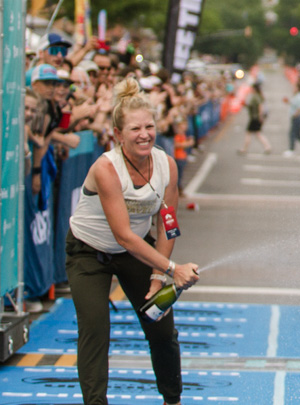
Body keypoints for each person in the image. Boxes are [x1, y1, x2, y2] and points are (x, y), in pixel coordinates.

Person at [65, 77, 200, 405]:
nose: (144, 135)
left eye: (150, 127)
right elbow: (122, 235)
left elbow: (167, 224)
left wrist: (159, 277)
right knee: (96, 331)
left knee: (162, 328)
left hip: (139, 251)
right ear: (117, 135)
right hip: (89, 251)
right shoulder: (106, 169)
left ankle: (173, 399)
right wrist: (172, 268)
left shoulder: (166, 165)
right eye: (135, 129)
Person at [238, 82, 272, 155]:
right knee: (257, 133)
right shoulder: (258, 96)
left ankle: (244, 149)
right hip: (255, 117)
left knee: (250, 133)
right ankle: (267, 146)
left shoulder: (255, 96)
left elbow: (260, 107)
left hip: (255, 117)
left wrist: (260, 116)